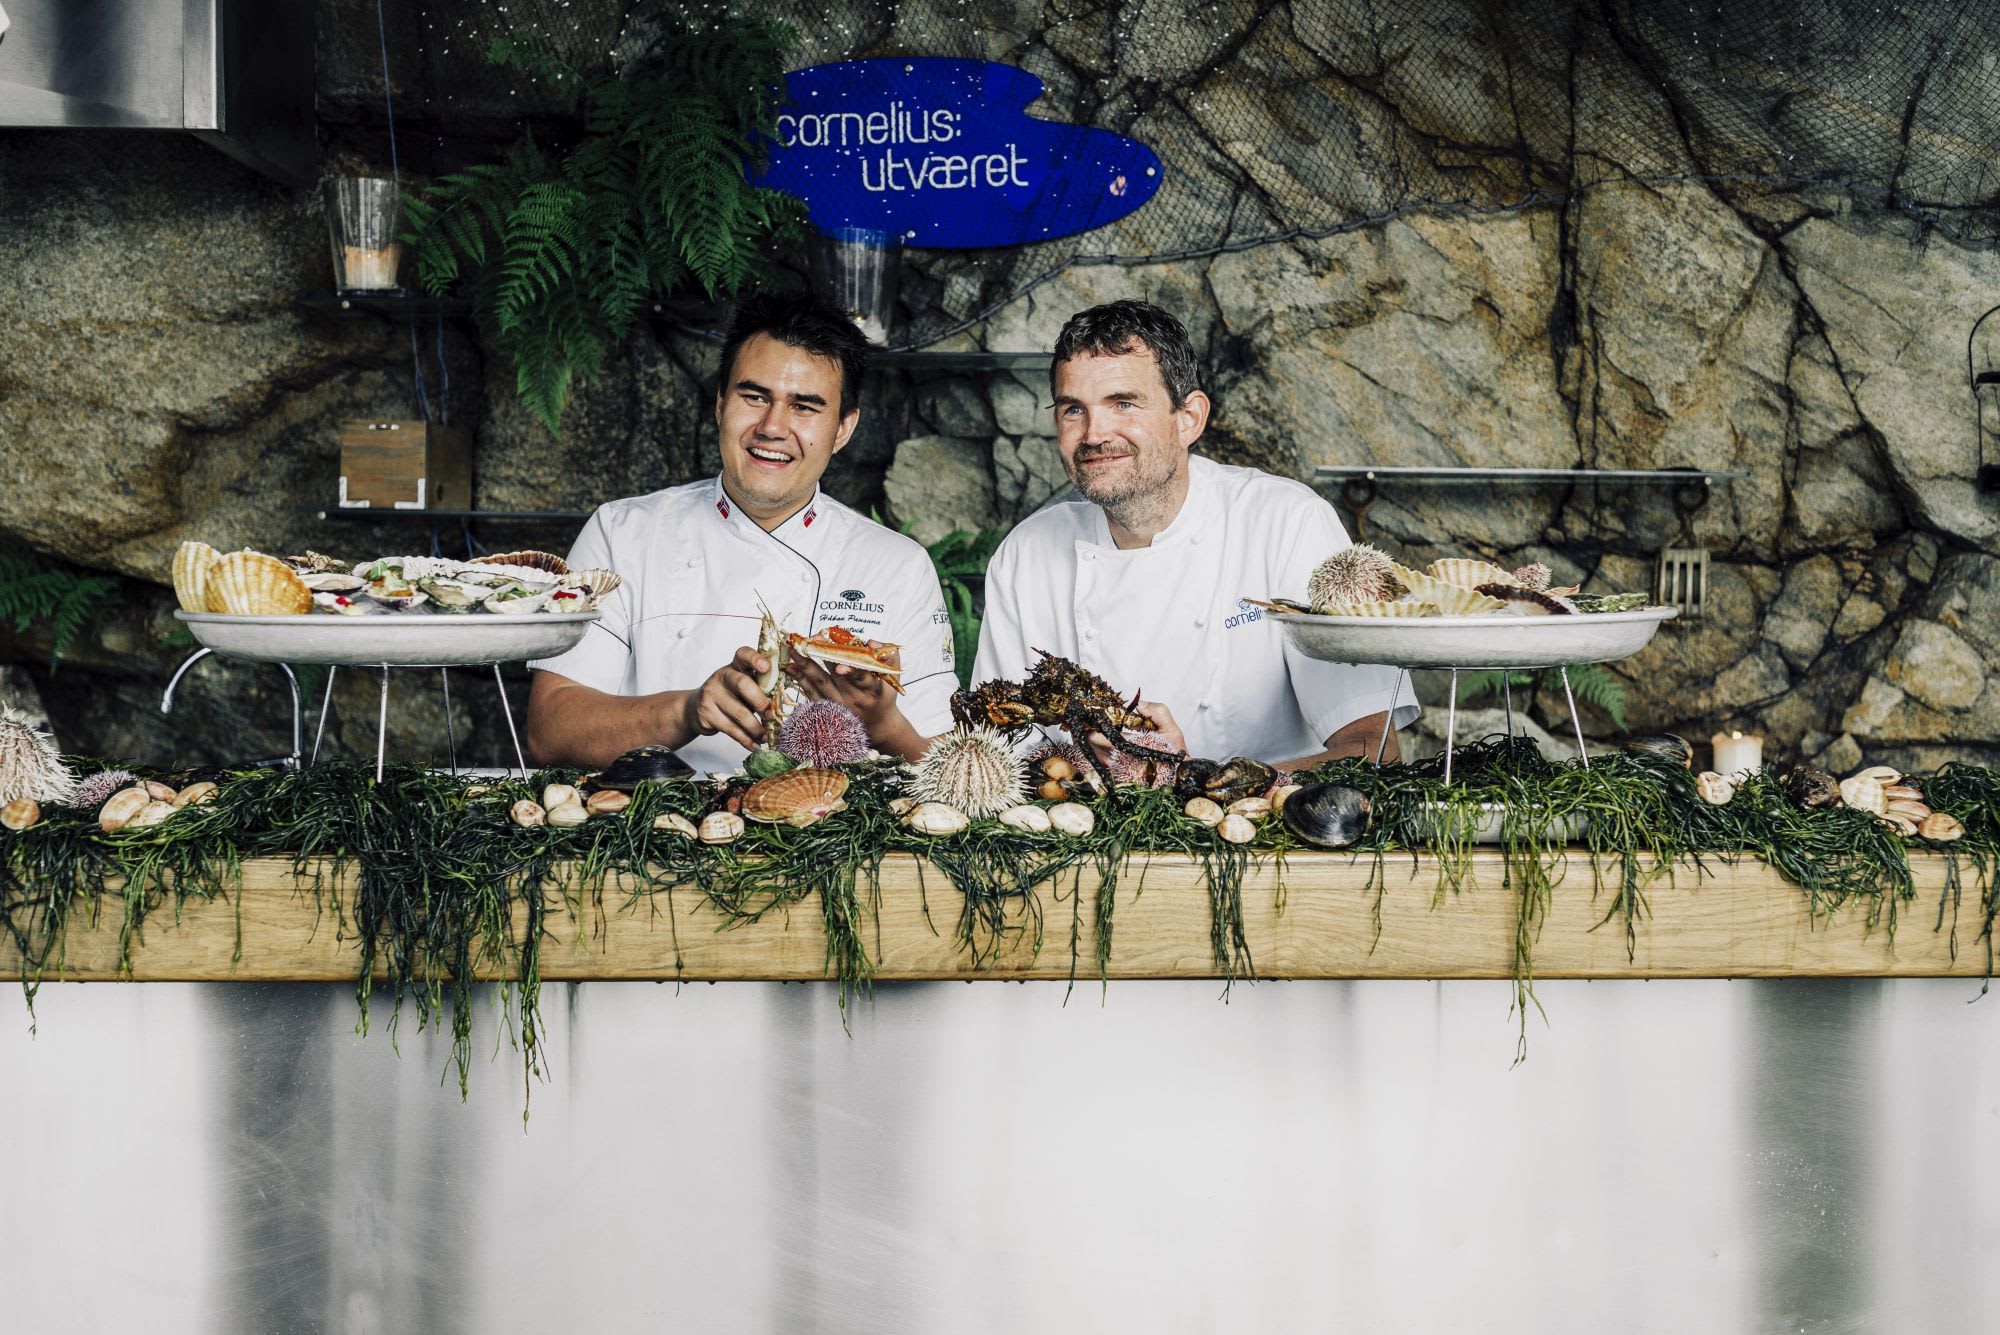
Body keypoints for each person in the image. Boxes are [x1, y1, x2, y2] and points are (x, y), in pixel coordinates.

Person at [971, 298, 1416, 768]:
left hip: (1263, 836)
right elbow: (998, 754)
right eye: (1072, 410)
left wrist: (1194, 783)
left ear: (1190, 419)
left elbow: (1373, 749)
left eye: (1124, 403)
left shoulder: (1285, 522)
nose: (1095, 433)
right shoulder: (1026, 554)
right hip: (1086, 836)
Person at [525, 291, 957, 774]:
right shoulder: (623, 533)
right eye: (754, 397)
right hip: (654, 833)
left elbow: (945, 766)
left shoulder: (896, 564)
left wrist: (884, 727)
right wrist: (687, 710)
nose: (772, 427)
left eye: (805, 407)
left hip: (825, 840)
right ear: (720, 405)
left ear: (843, 429)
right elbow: (549, 730)